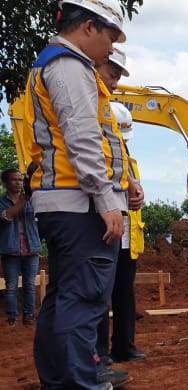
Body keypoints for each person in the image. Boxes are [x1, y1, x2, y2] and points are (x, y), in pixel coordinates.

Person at [23, 0, 131, 388]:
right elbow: (82, 138)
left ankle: (59, 380)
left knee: (64, 299)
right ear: (88, 27)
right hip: (77, 203)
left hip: (63, 201)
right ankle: (78, 383)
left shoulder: (54, 64)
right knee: (83, 300)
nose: (111, 47)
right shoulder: (70, 66)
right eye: (110, 36)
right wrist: (107, 201)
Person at [94, 48, 148, 366]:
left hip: (127, 238)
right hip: (104, 231)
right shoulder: (100, 146)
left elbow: (133, 194)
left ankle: (124, 346)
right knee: (100, 296)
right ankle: (100, 351)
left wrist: (138, 196)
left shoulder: (130, 160)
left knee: (124, 296)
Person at [0, 169, 42, 327]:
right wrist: (24, 199)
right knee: (11, 286)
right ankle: (12, 316)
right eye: (14, 180)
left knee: (29, 285)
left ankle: (29, 315)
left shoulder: (32, 201)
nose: (18, 182)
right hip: (11, 249)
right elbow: (7, 216)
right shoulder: (2, 202)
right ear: (6, 183)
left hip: (31, 248)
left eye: (21, 179)